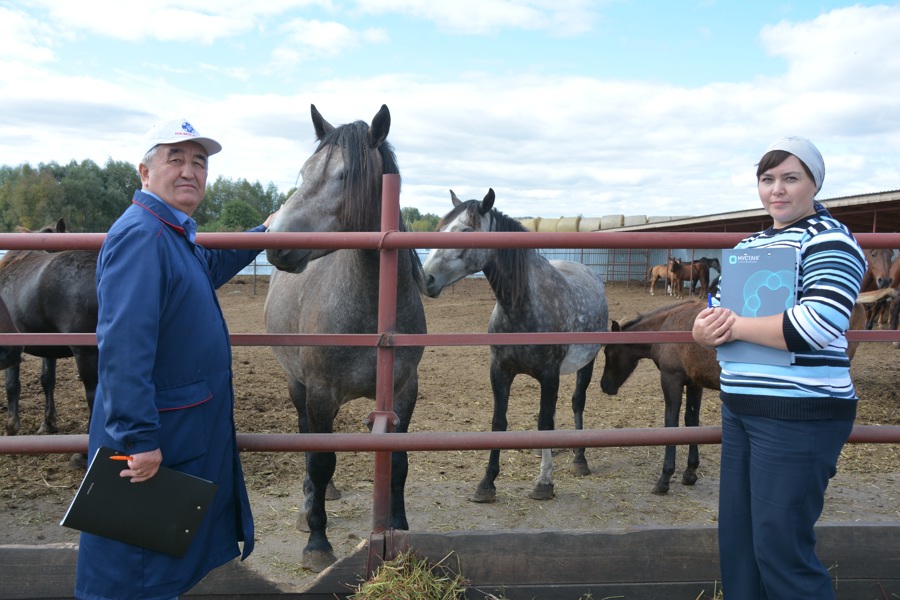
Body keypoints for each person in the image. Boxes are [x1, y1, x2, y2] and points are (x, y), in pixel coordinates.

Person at [75, 119, 278, 600]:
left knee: (153, 567)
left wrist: (264, 231)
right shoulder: (143, 236)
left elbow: (207, 267)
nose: (190, 171)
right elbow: (123, 347)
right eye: (176, 159)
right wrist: (137, 438)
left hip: (174, 431)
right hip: (150, 443)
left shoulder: (169, 232)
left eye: (199, 162)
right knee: (132, 572)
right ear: (145, 171)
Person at [692, 136, 867, 599]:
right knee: (741, 541)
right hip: (742, 408)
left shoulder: (831, 240)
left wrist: (734, 324)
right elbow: (715, 307)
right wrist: (702, 330)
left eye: (791, 178)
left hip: (800, 412)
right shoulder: (752, 244)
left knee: (781, 547)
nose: (777, 190)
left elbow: (817, 324)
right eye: (768, 179)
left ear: (814, 183)